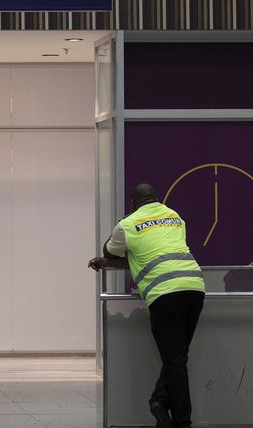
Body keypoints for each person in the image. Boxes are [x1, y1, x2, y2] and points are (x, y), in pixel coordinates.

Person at [88, 183, 205, 428]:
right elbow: (150, 254)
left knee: (175, 361)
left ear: (133, 204)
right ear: (157, 198)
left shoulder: (128, 224)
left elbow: (109, 250)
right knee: (177, 357)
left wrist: (124, 221)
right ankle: (159, 401)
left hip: (165, 293)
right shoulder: (174, 216)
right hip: (194, 287)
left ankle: (182, 422)